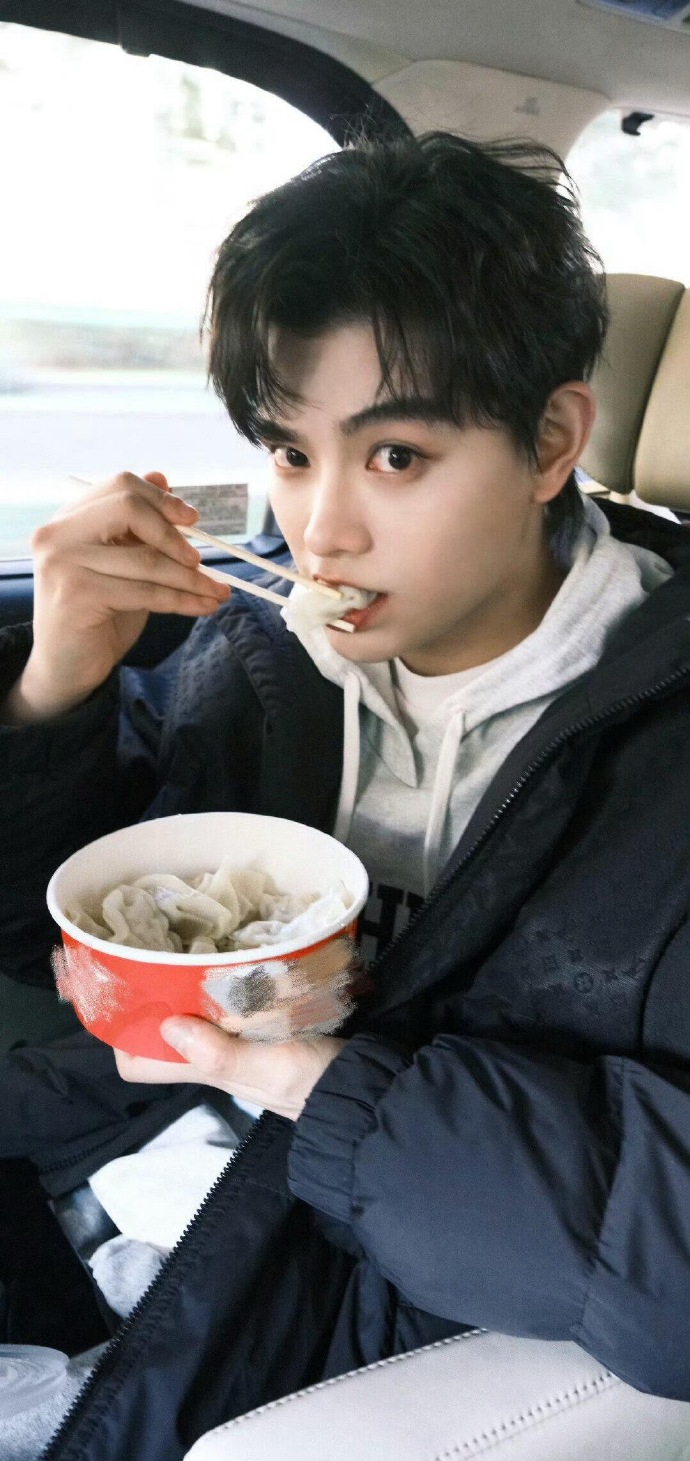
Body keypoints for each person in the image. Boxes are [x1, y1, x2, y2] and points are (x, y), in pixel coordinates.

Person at [1, 130, 690, 1461]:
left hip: (382, 1309)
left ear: (551, 440)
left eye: (395, 458)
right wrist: (52, 695)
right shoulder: (253, 658)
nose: (320, 533)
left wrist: (335, 1093)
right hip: (127, 1176)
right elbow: (64, 949)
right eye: (287, 449)